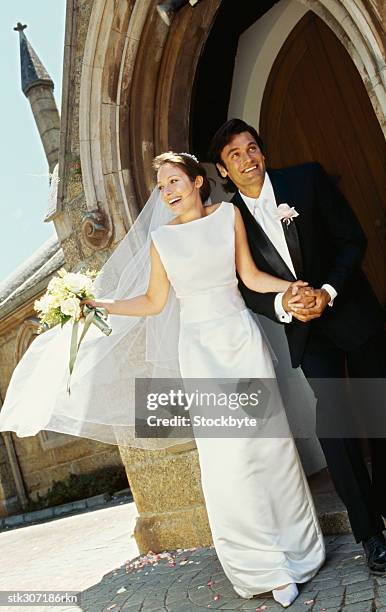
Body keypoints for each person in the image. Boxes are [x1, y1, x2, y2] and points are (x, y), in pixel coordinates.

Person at [78, 152, 325, 606]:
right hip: (200, 353)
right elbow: (153, 302)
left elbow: (249, 275)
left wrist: (290, 287)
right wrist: (104, 306)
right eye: (161, 185)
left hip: (241, 341)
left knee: (268, 445)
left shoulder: (227, 215)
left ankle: (297, 550)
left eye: (174, 180)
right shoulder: (161, 240)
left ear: (196, 181)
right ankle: (263, 566)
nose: (167, 191)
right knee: (229, 457)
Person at [209, 118, 386, 575]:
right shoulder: (228, 221)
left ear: (262, 152)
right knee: (337, 426)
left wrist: (328, 290)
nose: (247, 159)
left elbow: (352, 240)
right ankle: (370, 534)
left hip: (353, 313)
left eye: (252, 149)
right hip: (307, 333)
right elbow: (246, 288)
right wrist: (287, 306)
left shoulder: (306, 179)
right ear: (223, 170)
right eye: (235, 155)